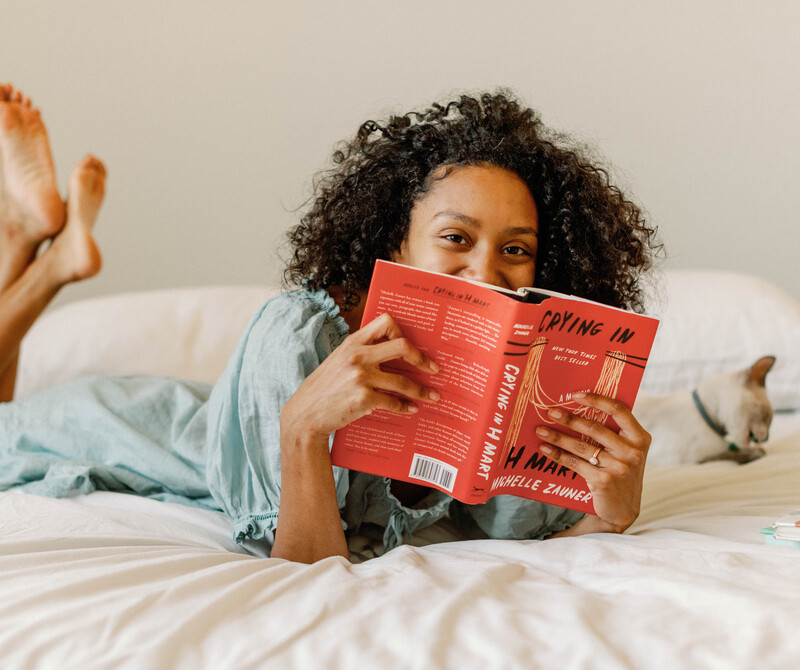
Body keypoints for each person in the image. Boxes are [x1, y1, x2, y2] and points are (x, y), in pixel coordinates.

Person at [0, 86, 658, 564]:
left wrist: (611, 510)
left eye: (515, 249)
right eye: (456, 237)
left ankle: (41, 247)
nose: (487, 272)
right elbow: (300, 564)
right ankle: (36, 253)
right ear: (394, 246)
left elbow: (527, 536)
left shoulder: (518, 372)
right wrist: (303, 430)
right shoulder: (297, 336)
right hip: (118, 427)